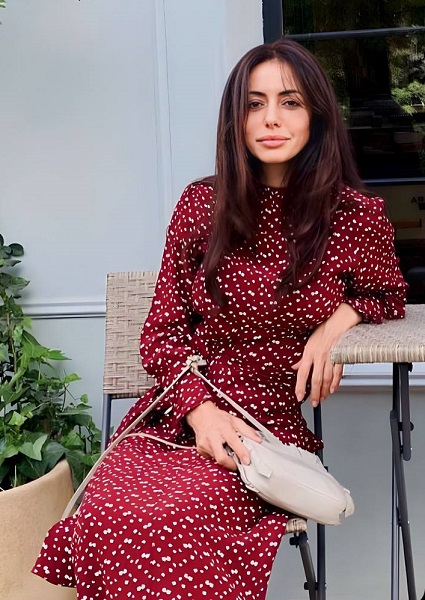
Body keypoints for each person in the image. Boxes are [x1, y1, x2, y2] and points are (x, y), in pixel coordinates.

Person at [33, 38, 407, 599]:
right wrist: (201, 413)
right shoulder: (200, 206)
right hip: (177, 415)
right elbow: (160, 332)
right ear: (235, 120)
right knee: (113, 513)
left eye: (290, 102)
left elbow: (387, 294)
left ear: (317, 116)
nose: (271, 119)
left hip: (263, 432)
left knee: (171, 521)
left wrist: (334, 326)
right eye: (254, 104)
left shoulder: (355, 215)